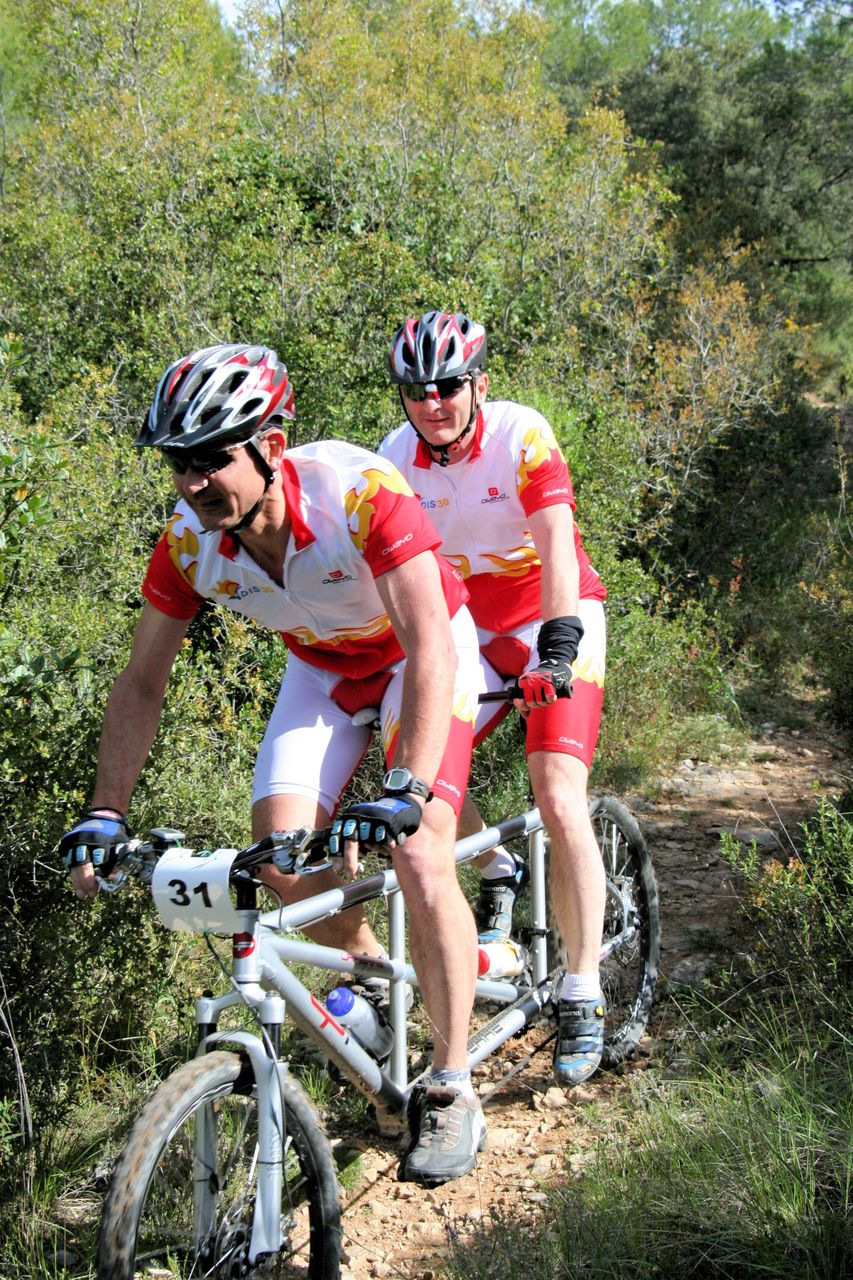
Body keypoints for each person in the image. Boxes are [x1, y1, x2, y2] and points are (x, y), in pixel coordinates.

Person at [59, 342, 487, 1185]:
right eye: (178, 462)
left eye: (211, 459)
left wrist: (405, 787)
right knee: (281, 863)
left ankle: (449, 1083)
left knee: (418, 851)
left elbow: (430, 643)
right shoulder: (189, 544)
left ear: (273, 447)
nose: (192, 482)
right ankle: (373, 978)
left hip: (421, 655)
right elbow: (141, 683)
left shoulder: (357, 492)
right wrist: (105, 810)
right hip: (321, 673)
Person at [379, 312, 609, 1086]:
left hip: (552, 613)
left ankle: (582, 987)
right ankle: (499, 867)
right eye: (416, 390)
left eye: (447, 386)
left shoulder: (521, 434)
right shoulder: (392, 458)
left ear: (478, 384)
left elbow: (556, 548)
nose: (432, 403)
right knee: (412, 773)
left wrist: (558, 648)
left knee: (557, 792)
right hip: (467, 630)